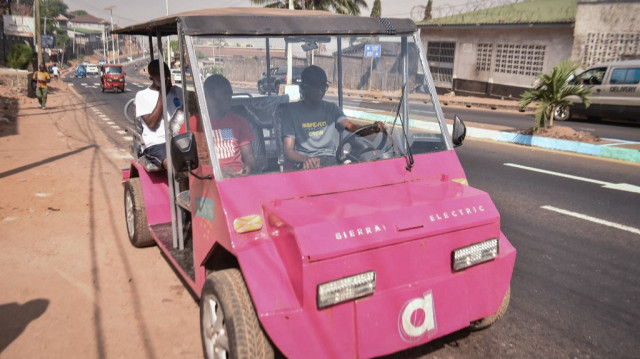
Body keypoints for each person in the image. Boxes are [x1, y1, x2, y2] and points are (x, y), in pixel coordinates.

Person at [281, 65, 384, 169]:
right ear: (304, 87)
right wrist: (306, 159)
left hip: (330, 160)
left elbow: (351, 127)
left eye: (323, 87)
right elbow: (288, 151)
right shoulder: (291, 112)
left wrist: (373, 128)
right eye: (315, 87)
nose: (320, 91)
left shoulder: (331, 109)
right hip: (305, 162)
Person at [203, 74, 257, 177]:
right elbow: (192, 168)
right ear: (209, 96)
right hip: (209, 180)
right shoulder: (194, 125)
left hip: (237, 178)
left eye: (230, 94)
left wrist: (248, 166)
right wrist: (218, 173)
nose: (229, 98)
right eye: (224, 94)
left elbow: (250, 158)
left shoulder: (239, 122)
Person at [135, 59, 183, 169]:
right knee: (174, 165)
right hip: (156, 143)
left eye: (166, 75)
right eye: (160, 76)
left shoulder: (177, 91)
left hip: (178, 140)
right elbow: (152, 124)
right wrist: (163, 94)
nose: (165, 79)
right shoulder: (142, 95)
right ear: (151, 78)